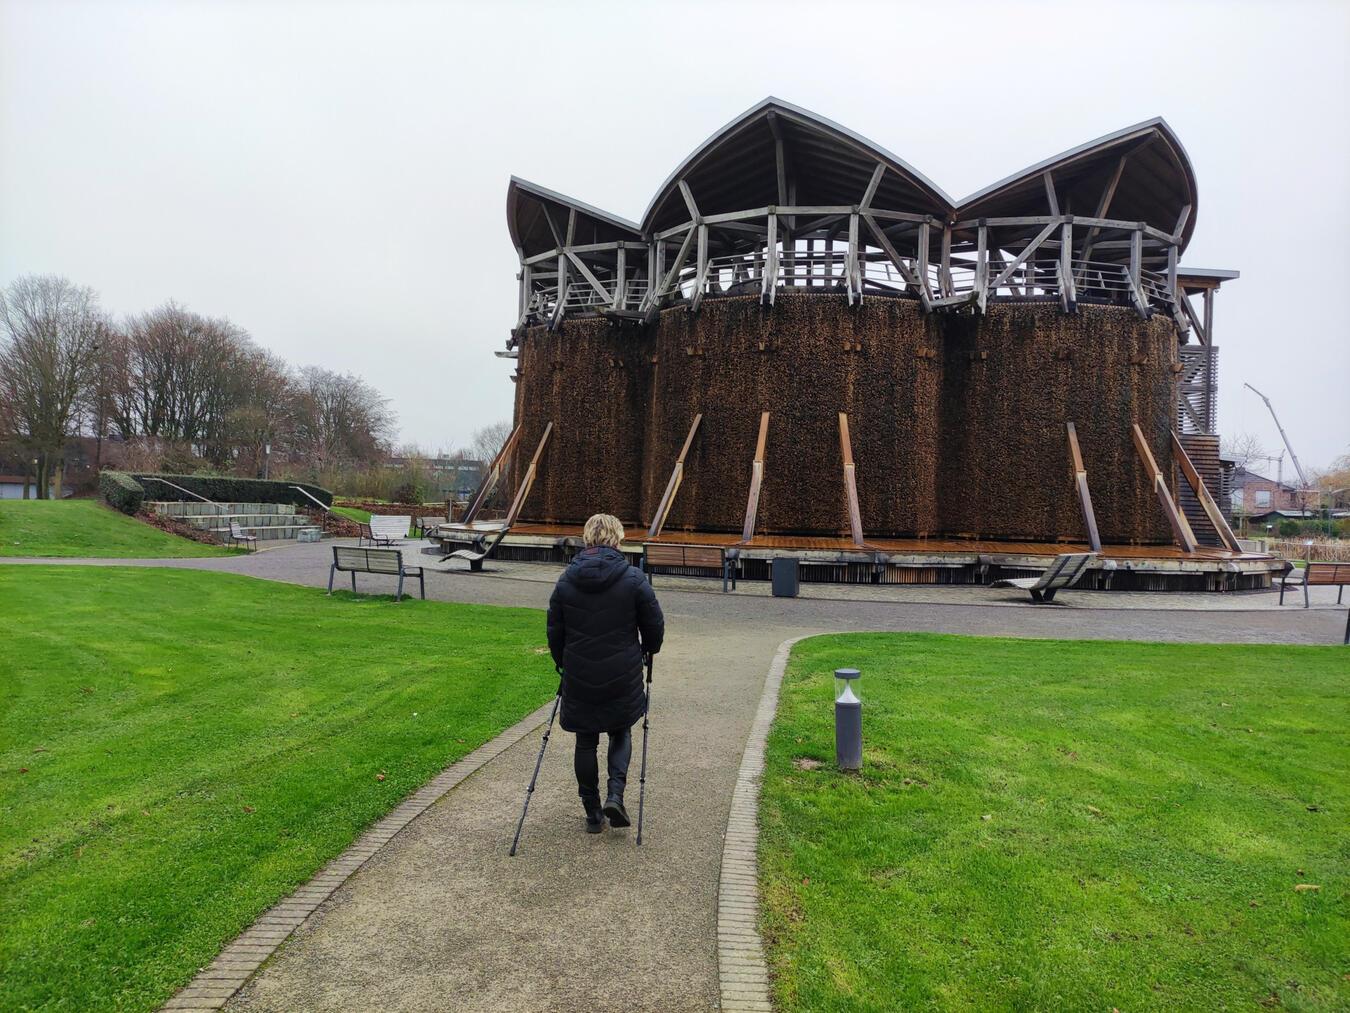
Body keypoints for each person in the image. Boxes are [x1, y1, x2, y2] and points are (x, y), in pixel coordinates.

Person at [547, 513, 664, 833]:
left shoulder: (566, 580)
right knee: (620, 730)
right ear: (617, 539)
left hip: (580, 672)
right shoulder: (634, 579)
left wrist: (563, 663)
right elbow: (654, 627)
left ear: (587, 539)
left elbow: (554, 631)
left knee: (585, 740)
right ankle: (615, 795)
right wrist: (648, 651)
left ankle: (592, 812)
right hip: (621, 672)